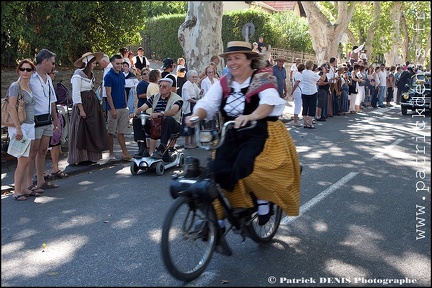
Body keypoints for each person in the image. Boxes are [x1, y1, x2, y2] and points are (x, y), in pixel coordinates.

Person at [185, 41, 301, 256]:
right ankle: (218, 227)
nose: (232, 62)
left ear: (249, 59)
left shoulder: (263, 78)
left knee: (250, 170)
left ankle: (263, 202)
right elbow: (208, 104)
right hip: (230, 134)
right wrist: (194, 116)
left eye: (237, 58)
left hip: (258, 132)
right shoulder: (224, 81)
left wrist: (251, 115)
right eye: (229, 59)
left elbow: (267, 104)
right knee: (216, 172)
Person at [28, 49, 60, 191]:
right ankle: (28, 184)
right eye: (52, 63)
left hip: (46, 120)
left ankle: (40, 181)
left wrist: (55, 119)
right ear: (45, 61)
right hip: (34, 120)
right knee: (32, 152)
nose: (54, 66)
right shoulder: (30, 77)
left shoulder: (48, 79)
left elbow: (52, 101)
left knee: (42, 151)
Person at [68, 52, 108, 165]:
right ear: (88, 63)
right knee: (81, 130)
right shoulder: (77, 75)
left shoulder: (91, 75)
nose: (95, 65)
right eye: (94, 63)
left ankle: (91, 156)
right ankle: (79, 157)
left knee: (92, 130)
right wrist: (81, 109)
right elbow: (76, 94)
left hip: (92, 105)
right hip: (83, 105)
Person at [7, 59, 38, 200]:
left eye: (28, 69)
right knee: (23, 160)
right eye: (22, 69)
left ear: (32, 72)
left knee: (28, 158)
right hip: (20, 127)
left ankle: (25, 188)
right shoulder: (15, 86)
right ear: (19, 70)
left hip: (30, 125)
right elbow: (11, 107)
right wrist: (18, 128)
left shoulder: (29, 86)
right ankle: (17, 191)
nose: (25, 72)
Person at [132, 77, 183, 161]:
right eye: (160, 86)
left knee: (168, 119)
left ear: (170, 88)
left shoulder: (177, 99)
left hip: (171, 126)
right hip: (155, 124)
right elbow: (143, 107)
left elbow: (173, 111)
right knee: (137, 119)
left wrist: (160, 114)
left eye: (164, 86)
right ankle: (142, 147)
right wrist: (136, 112)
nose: (161, 88)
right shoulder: (155, 96)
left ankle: (162, 148)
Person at [104, 54, 133, 161]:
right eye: (117, 63)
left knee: (121, 132)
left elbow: (124, 90)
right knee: (111, 131)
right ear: (112, 63)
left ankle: (125, 153)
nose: (120, 65)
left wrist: (125, 104)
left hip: (122, 106)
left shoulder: (121, 75)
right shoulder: (108, 76)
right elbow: (108, 94)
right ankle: (111, 153)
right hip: (113, 108)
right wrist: (112, 109)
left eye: (121, 63)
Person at [46, 69, 68, 178]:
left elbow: (53, 103)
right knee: (41, 146)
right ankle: (40, 172)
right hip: (43, 118)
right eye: (53, 73)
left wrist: (55, 119)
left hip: (53, 117)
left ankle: (55, 168)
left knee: (55, 143)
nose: (54, 75)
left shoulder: (51, 85)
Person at [181, 70, 201, 149]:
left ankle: (192, 142)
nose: (195, 78)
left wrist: (201, 91)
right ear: (189, 77)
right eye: (193, 77)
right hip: (189, 107)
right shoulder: (186, 85)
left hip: (193, 106)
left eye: (196, 77)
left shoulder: (194, 84)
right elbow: (187, 98)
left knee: (193, 124)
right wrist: (196, 101)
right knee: (187, 125)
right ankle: (186, 143)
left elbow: (198, 92)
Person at [300, 60, 320, 129]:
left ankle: (305, 123)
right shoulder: (313, 74)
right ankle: (310, 123)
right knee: (312, 107)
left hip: (304, 91)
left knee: (305, 107)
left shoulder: (303, 72)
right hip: (312, 91)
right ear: (312, 66)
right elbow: (318, 79)